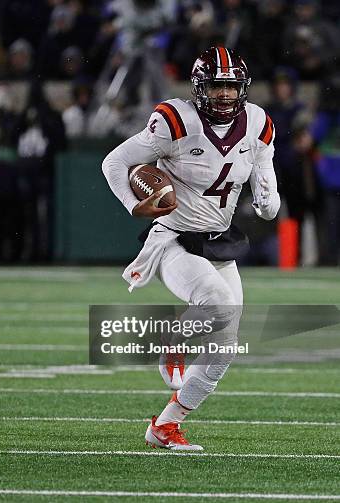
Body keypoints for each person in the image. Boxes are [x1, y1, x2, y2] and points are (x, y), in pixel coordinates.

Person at [102, 47, 280, 450]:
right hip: (174, 239)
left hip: (219, 241)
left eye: (231, 87)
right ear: (200, 87)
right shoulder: (175, 120)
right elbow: (114, 163)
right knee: (215, 302)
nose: (224, 96)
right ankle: (172, 342)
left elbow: (267, 192)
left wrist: (268, 197)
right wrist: (134, 205)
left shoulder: (258, 123)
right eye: (217, 86)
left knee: (225, 346)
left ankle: (165, 425)